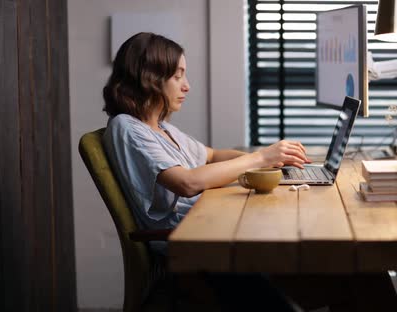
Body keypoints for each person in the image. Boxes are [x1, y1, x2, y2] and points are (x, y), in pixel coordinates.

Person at [102, 32, 310, 238]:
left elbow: (212, 155)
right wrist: (260, 158)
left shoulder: (162, 128)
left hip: (204, 220)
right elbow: (187, 183)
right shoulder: (127, 127)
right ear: (149, 79)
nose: (187, 86)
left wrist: (272, 162)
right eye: (177, 76)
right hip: (187, 235)